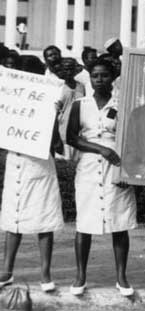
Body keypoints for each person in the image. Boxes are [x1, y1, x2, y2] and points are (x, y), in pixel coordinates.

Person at [66, 59, 137, 297]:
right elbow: (72, 138)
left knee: (119, 221)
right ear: (90, 77)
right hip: (88, 166)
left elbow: (133, 137)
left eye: (104, 75)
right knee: (85, 222)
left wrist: (127, 170)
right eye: (95, 76)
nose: (99, 80)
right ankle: (80, 276)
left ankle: (121, 277)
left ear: (112, 77)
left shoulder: (123, 104)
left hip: (117, 166)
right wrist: (101, 149)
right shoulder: (80, 104)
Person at [0, 55, 64, 293]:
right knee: (13, 218)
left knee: (43, 217)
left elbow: (57, 145)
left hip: (39, 164)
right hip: (15, 160)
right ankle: (6, 271)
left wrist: (54, 116)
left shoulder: (49, 102)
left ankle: (45, 274)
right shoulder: (9, 98)